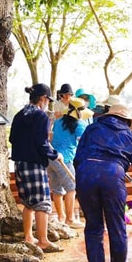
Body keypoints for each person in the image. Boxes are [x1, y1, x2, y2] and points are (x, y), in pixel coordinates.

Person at [74, 96, 132, 262]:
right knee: (117, 226)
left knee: (93, 226)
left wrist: (81, 181)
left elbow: (78, 157)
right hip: (112, 176)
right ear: (126, 121)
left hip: (86, 174)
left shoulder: (92, 128)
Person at [9, 84, 64, 253]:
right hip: (34, 164)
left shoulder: (19, 115)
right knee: (42, 202)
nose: (48, 103)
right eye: (48, 100)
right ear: (42, 99)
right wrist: (54, 154)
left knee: (28, 202)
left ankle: (28, 237)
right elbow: (42, 143)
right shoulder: (41, 116)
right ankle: (43, 241)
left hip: (19, 163)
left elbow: (11, 138)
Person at [48, 96, 90, 228]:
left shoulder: (59, 121)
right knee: (71, 189)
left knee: (57, 190)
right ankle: (70, 219)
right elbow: (84, 142)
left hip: (51, 157)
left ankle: (61, 217)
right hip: (64, 159)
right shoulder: (79, 124)